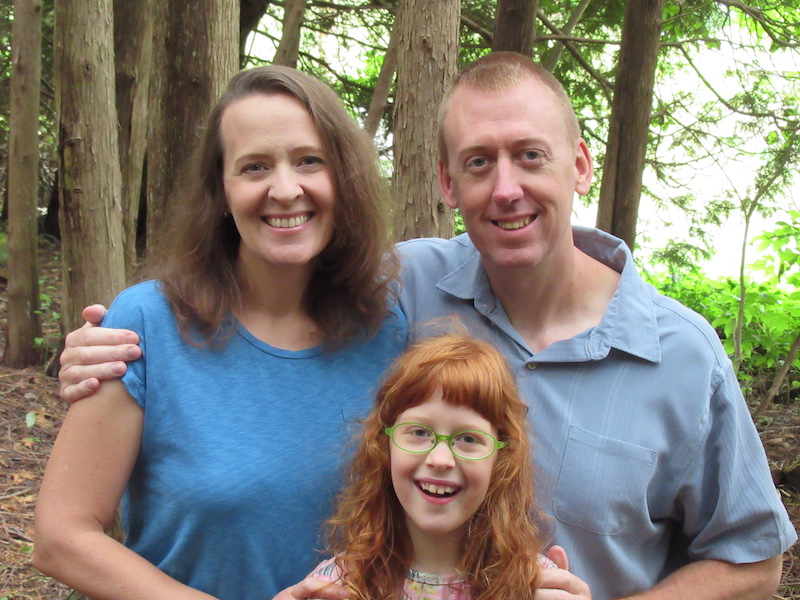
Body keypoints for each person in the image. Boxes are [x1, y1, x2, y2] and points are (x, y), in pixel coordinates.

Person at [55, 53, 796, 600]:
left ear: (579, 164)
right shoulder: (406, 292)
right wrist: (101, 343)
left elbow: (757, 560)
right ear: (448, 183)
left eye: (529, 157)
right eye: (478, 163)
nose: (506, 188)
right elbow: (64, 532)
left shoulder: (681, 354)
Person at [33, 65, 407, 600]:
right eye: (254, 167)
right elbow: (60, 536)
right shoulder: (146, 326)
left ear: (342, 177)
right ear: (222, 192)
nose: (285, 188)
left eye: (309, 161)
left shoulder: (388, 333)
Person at [285, 332, 557, 600]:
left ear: (502, 457)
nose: (440, 459)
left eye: (467, 438)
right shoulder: (337, 586)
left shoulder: (536, 587)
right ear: (384, 443)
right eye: (419, 432)